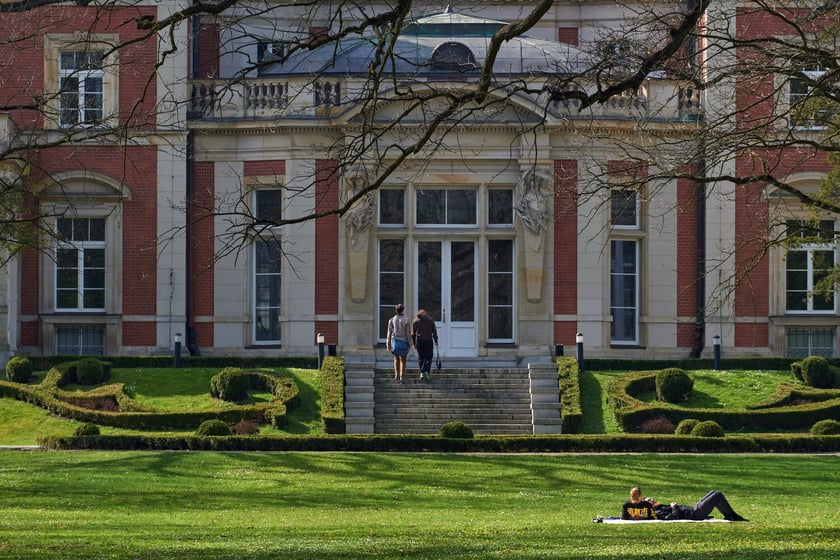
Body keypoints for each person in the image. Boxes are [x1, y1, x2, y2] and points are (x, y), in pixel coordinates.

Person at [622, 487, 748, 522]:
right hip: (694, 513)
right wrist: (674, 507)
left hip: (693, 508)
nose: (651, 499)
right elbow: (672, 518)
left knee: (713, 492)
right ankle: (732, 515)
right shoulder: (658, 512)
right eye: (649, 500)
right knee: (717, 495)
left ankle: (728, 515)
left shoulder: (660, 507)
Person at [386, 304, 412, 382]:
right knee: (403, 359)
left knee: (396, 358)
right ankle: (402, 376)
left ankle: (396, 374)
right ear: (403, 310)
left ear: (396, 311)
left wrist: (388, 344)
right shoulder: (406, 320)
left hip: (395, 341)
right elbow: (408, 333)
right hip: (403, 341)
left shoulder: (391, 320)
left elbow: (389, 333)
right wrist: (411, 344)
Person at [411, 309, 438, 381]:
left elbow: (413, 334)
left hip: (419, 341)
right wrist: (436, 340)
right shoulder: (430, 320)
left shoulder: (415, 321)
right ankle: (426, 371)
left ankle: (422, 372)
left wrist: (414, 343)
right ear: (425, 314)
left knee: (421, 357)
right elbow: (434, 331)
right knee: (429, 357)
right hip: (428, 340)